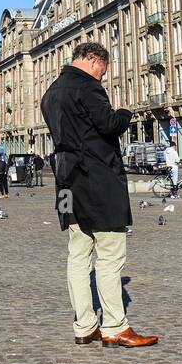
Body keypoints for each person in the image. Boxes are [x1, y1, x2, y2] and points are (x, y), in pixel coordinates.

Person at [40, 40, 157, 348]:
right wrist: (124, 113)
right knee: (109, 255)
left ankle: (84, 325)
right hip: (96, 182)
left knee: (77, 255)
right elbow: (106, 125)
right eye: (102, 71)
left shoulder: (50, 93)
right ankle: (115, 326)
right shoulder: (88, 88)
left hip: (66, 183)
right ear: (93, 61)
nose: (102, 77)